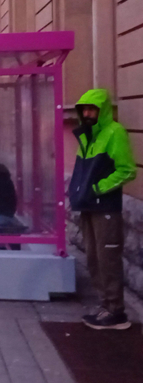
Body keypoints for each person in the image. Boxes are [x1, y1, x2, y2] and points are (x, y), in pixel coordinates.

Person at [69, 89, 136, 330]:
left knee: (107, 258)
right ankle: (106, 305)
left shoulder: (113, 133)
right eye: (84, 109)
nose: (87, 113)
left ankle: (115, 310)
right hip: (89, 206)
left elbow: (127, 169)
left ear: (102, 111)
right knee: (94, 258)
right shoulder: (88, 137)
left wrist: (97, 189)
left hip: (105, 207)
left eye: (92, 109)